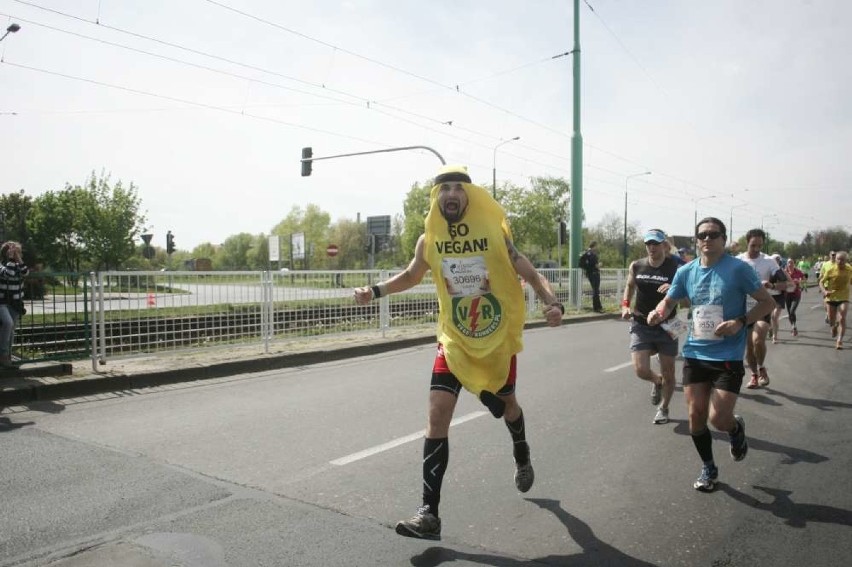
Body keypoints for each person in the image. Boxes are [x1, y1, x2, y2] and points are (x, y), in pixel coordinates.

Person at [354, 165, 564, 540]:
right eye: (444, 189)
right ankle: (429, 515)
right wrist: (376, 291)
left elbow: (530, 272)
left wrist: (552, 302)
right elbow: (413, 274)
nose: (450, 193)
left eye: (457, 187)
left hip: (494, 337)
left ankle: (521, 450)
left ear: (469, 195)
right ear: (437, 198)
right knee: (436, 416)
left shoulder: (495, 233)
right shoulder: (429, 238)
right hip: (454, 337)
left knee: (508, 405)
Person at [648, 217, 774, 492]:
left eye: (713, 234)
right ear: (696, 240)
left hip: (727, 355)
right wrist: (658, 312)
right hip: (695, 353)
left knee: (718, 419)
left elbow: (768, 302)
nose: (706, 239)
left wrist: (740, 321)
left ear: (723, 239)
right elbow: (669, 300)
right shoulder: (686, 272)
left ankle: (734, 429)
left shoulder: (738, 269)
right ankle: (708, 467)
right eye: (701, 235)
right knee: (696, 416)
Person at [621, 229, 681, 424]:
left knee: (669, 372)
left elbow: (689, 300)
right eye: (648, 244)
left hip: (669, 324)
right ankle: (657, 381)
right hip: (641, 323)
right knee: (640, 369)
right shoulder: (637, 266)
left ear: (665, 245)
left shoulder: (677, 268)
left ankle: (664, 408)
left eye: (656, 243)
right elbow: (630, 286)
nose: (652, 247)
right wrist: (625, 306)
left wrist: (675, 291)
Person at [736, 229, 788, 388]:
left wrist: (771, 285)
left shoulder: (769, 261)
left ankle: (761, 369)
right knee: (749, 348)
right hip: (743, 309)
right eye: (753, 245)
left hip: (762, 307)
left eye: (760, 245)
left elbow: (785, 283)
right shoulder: (738, 261)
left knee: (758, 340)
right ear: (747, 243)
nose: (757, 249)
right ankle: (754, 374)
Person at [0, 241, 29, 367]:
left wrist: (19, 260)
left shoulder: (17, 266)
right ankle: (3, 354)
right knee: (7, 323)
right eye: (15, 252)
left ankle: (8, 357)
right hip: (2, 302)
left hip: (16, 303)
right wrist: (11, 258)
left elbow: (25, 272)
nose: (18, 254)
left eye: (18, 252)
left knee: (11, 330)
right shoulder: (1, 266)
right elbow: (8, 273)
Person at [819, 251, 851, 350]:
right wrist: (824, 291)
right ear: (835, 259)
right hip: (831, 297)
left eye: (842, 259)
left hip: (843, 297)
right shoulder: (830, 269)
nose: (840, 261)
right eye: (838, 259)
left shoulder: (849, 269)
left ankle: (839, 340)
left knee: (842, 317)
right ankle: (833, 326)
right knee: (831, 319)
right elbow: (821, 281)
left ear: (846, 260)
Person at [783, 259, 806, 337]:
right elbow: (779, 281)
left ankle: (794, 327)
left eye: (791, 263)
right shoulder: (784, 272)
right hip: (787, 294)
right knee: (790, 313)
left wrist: (799, 282)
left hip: (796, 294)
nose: (790, 264)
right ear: (786, 264)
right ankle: (793, 326)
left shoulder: (798, 271)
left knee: (792, 311)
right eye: (788, 262)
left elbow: (804, 279)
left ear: (794, 264)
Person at [580, 241, 603, 312]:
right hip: (595, 273)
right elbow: (596, 265)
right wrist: (600, 265)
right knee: (596, 291)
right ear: (594, 246)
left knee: (595, 290)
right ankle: (597, 308)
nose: (597, 247)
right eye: (596, 246)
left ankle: (598, 306)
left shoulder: (585, 253)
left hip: (589, 274)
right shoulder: (593, 254)